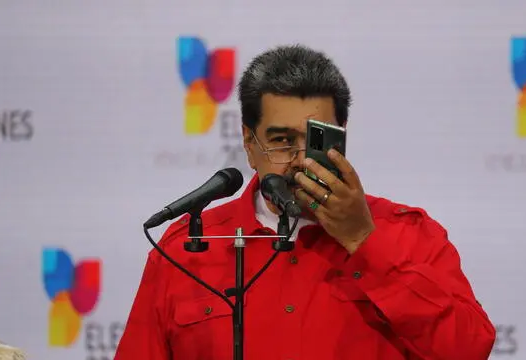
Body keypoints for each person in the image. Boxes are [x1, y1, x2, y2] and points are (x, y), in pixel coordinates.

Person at [115, 44, 496, 360]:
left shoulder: (410, 234)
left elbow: (468, 349)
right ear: (249, 144)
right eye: (281, 140)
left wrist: (364, 241)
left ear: (341, 138)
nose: (299, 159)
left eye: (315, 140)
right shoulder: (190, 246)